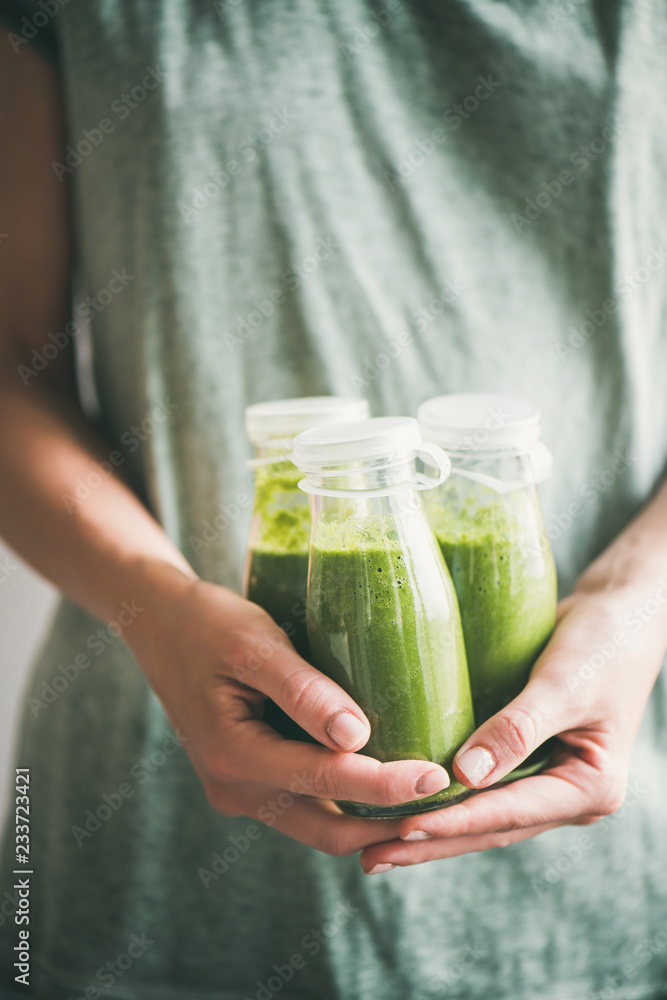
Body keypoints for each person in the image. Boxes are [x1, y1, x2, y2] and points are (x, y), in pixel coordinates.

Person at [1, 1, 666, 997]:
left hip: (586, 876)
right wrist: (148, 596)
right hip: (153, 841)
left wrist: (640, 596)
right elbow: (15, 361)